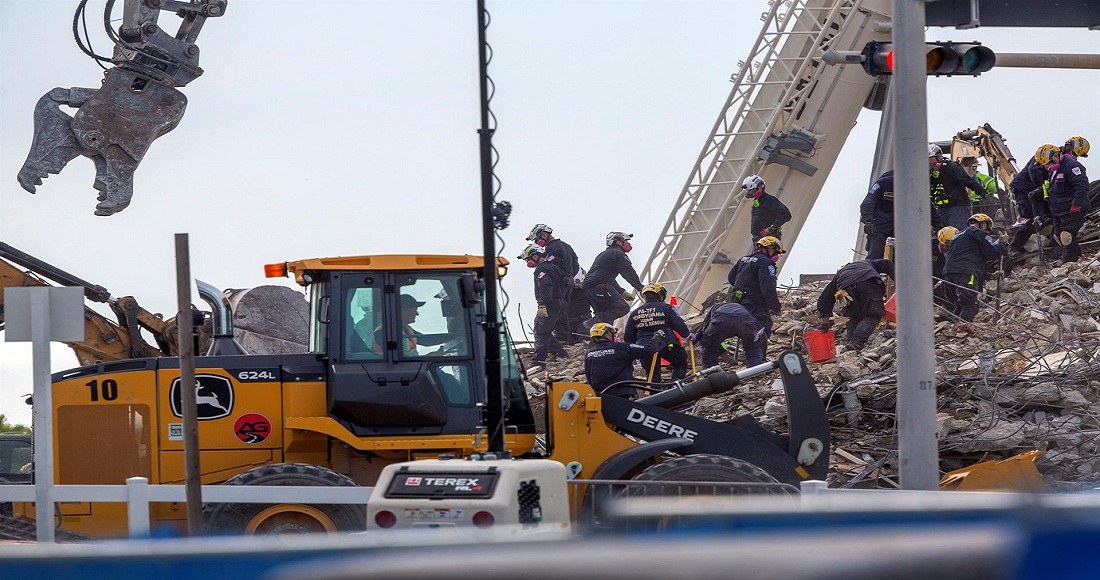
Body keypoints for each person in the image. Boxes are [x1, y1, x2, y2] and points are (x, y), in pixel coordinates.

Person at [941, 213, 1008, 331]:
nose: (987, 232)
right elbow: (992, 253)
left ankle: (953, 329)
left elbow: (968, 260)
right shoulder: (978, 233)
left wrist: (989, 275)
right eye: (987, 229)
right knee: (971, 304)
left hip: (948, 273)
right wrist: (1003, 243)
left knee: (960, 304)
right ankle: (961, 331)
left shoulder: (958, 237)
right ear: (983, 224)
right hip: (966, 274)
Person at [860, 169, 943, 260]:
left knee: (912, 250)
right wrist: (868, 221)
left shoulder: (916, 188)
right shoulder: (884, 183)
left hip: (902, 225)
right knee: (875, 252)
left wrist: (938, 226)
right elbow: (868, 203)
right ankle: (871, 271)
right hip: (880, 223)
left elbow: (929, 207)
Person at [816, 259, 894, 351]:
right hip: (868, 282)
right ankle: (856, 343)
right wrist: (900, 282)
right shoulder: (868, 263)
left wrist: (825, 323)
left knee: (855, 317)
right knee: (873, 315)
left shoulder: (840, 274)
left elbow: (825, 298)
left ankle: (850, 344)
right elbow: (887, 263)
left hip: (845, 288)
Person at [526, 223, 586, 344]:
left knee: (555, 308)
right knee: (563, 309)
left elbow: (551, 268)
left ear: (543, 234)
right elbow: (575, 262)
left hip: (562, 282)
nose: (537, 243)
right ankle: (563, 337)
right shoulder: (565, 245)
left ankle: (560, 337)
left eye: (537, 239)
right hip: (568, 280)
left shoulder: (553, 248)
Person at [624, 283, 692, 380]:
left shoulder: (635, 313)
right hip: (668, 344)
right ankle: (675, 387)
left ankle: (655, 392)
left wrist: (633, 352)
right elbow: (679, 325)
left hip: (645, 348)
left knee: (652, 376)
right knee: (680, 364)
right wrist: (688, 334)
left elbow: (629, 337)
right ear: (660, 295)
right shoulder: (668, 308)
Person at [1036, 143, 1091, 263]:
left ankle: (1068, 262)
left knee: (1067, 236)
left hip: (1072, 209)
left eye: (1049, 163)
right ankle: (1077, 260)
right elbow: (1053, 188)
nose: (1048, 167)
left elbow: (1081, 185)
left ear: (1055, 155)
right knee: (1059, 236)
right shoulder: (1054, 171)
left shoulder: (1072, 166)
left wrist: (1076, 204)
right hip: (1059, 211)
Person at [579, 231, 645, 330]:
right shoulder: (618, 254)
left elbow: (607, 277)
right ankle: (588, 325)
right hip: (600, 287)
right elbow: (628, 272)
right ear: (618, 242)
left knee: (605, 316)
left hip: (590, 288)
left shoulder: (605, 254)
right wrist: (640, 287)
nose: (628, 244)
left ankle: (599, 342)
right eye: (626, 241)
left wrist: (621, 291)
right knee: (622, 308)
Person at [727, 236, 784, 347]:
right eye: (776, 252)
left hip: (737, 300)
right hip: (754, 302)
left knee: (744, 327)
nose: (776, 256)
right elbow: (767, 286)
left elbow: (731, 277)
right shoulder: (766, 263)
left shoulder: (744, 259)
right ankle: (757, 357)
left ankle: (748, 353)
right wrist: (775, 306)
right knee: (762, 327)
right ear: (769, 248)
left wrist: (745, 287)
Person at [584, 323, 667, 399]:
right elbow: (648, 350)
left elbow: (589, 378)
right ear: (608, 334)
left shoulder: (589, 354)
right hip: (621, 393)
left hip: (600, 396)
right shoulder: (621, 347)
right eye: (613, 334)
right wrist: (657, 337)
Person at [519, 244, 569, 367]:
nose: (528, 262)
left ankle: (538, 361)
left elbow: (545, 287)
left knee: (541, 331)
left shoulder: (541, 270)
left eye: (528, 259)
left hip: (549, 304)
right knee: (542, 329)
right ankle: (560, 353)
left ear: (536, 255)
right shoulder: (554, 267)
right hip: (558, 302)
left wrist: (542, 304)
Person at [928, 144, 988, 230]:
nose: (928, 161)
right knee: (944, 235)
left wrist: (983, 192)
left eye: (930, 158)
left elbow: (966, 180)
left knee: (958, 233)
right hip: (942, 209)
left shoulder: (951, 167)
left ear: (938, 156)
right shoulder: (931, 173)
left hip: (958, 207)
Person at [1007, 152, 1052, 256]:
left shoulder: (1055, 158)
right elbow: (1035, 173)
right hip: (1025, 190)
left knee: (1048, 216)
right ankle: (1013, 247)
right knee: (1034, 218)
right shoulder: (1045, 155)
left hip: (1035, 191)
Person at [697, 301, 765, 367]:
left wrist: (721, 350)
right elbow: (759, 331)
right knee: (752, 349)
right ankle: (756, 372)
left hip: (720, 321)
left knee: (709, 348)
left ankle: (710, 375)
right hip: (744, 322)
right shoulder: (741, 308)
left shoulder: (714, 308)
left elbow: (705, 332)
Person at [742, 174, 792, 243]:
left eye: (751, 191)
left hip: (769, 239)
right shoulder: (758, 201)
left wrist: (771, 228)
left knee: (764, 254)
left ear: (760, 187)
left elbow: (786, 215)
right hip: (759, 238)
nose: (749, 193)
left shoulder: (769, 199)